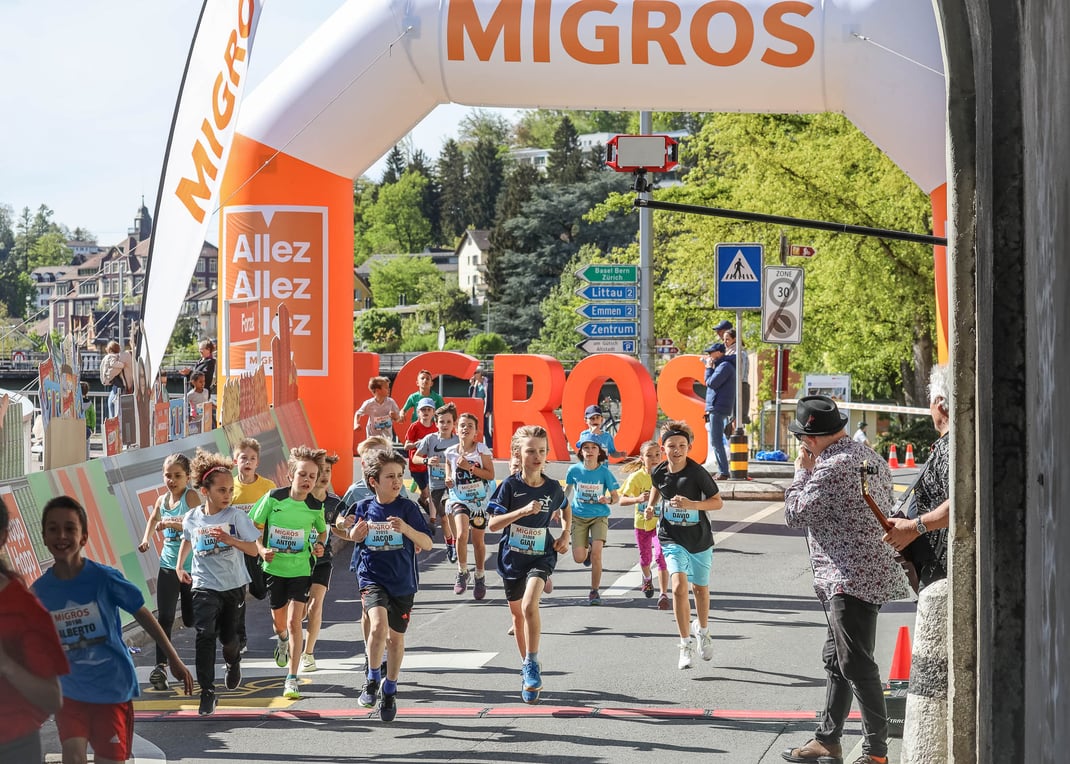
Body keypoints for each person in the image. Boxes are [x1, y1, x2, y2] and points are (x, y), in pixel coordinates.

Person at [781, 395, 912, 764]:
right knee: (837, 658)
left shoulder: (832, 466)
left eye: (801, 439)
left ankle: (876, 752)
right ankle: (827, 739)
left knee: (855, 662)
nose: (801, 445)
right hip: (866, 570)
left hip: (847, 575)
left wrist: (801, 473)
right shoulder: (867, 456)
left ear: (811, 438)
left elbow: (795, 513)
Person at [33, 496, 194, 764]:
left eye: (70, 529)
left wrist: (173, 659)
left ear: (84, 537)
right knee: (72, 755)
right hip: (70, 690)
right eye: (53, 529)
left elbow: (143, 614)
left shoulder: (104, 578)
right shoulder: (39, 592)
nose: (61, 536)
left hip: (112, 688)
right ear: (44, 537)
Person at [340, 450, 433, 722]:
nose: (396, 481)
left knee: (396, 638)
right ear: (373, 481)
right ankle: (371, 678)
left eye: (400, 476)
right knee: (378, 626)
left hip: (403, 581)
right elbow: (346, 528)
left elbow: (427, 543)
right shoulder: (363, 507)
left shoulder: (408, 508)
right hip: (371, 577)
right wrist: (352, 534)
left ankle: (390, 689)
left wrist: (406, 529)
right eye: (390, 476)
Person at [487, 425, 571, 704]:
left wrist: (565, 534)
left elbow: (566, 506)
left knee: (528, 605)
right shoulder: (509, 487)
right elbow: (493, 524)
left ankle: (533, 662)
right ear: (517, 454)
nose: (537, 457)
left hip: (541, 554)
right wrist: (522, 511)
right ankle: (526, 665)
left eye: (542, 451)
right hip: (512, 557)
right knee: (517, 617)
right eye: (531, 451)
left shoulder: (551, 487)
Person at [177, 450, 261, 715]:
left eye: (230, 490)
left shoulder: (235, 517)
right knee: (204, 636)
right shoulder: (193, 517)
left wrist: (231, 541)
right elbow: (187, 540)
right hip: (204, 585)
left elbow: (253, 550)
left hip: (233, 586)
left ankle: (233, 661)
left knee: (229, 640)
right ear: (205, 491)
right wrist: (180, 566)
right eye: (222, 490)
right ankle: (207, 691)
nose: (228, 495)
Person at [248, 447, 329, 700]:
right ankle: (281, 639)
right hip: (274, 568)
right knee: (280, 623)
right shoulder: (273, 498)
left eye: (312, 477)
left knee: (296, 621)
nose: (307, 481)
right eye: (302, 474)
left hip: (301, 570)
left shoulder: (316, 507)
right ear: (291, 475)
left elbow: (322, 531)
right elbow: (254, 526)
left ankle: (292, 679)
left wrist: (319, 545)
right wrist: (261, 549)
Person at [646, 421, 723, 669]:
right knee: (678, 586)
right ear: (663, 447)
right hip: (671, 537)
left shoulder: (697, 473)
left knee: (700, 590)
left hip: (699, 538)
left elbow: (717, 502)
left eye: (681, 446)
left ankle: (702, 630)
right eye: (671, 446)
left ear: (689, 447)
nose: (677, 450)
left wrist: (693, 505)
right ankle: (684, 643)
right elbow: (657, 488)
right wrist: (650, 505)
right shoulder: (658, 471)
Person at [0, 501, 68, 763]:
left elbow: (53, 699)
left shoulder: (26, 610)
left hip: (12, 747)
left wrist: (6, 665)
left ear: (3, 535)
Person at [136, 453, 199, 692]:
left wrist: (172, 524)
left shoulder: (190, 496)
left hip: (193, 568)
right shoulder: (163, 500)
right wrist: (146, 540)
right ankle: (160, 667)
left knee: (192, 618)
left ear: (188, 477)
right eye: (168, 475)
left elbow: (197, 524)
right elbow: (153, 520)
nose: (172, 480)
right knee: (165, 618)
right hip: (168, 566)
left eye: (177, 476)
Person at [883, 365, 950, 587]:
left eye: (930, 402)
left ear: (940, 403)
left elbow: (961, 504)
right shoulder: (949, 445)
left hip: (943, 574)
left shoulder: (951, 448)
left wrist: (913, 528)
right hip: (935, 571)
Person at [230, 438, 276, 653]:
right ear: (235, 461)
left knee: (258, 591)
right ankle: (240, 638)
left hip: (259, 546)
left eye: (252, 459)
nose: (247, 462)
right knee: (238, 594)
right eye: (243, 458)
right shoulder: (229, 487)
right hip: (237, 548)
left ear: (257, 463)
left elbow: (275, 517)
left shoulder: (267, 487)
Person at [444, 412, 495, 599]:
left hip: (479, 501)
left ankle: (480, 575)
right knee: (461, 533)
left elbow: (490, 475)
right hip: (460, 499)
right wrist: (448, 478)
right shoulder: (450, 452)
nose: (465, 428)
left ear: (476, 432)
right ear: (456, 429)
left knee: (478, 541)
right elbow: (448, 468)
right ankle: (462, 570)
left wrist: (470, 468)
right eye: (462, 425)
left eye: (470, 426)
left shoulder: (481, 450)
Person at [565, 432, 620, 606]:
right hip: (578, 517)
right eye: (586, 448)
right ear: (580, 451)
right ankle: (585, 548)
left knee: (597, 554)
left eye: (593, 447)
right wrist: (557, 507)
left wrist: (608, 500)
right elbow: (567, 491)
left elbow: (616, 497)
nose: (589, 451)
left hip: (599, 516)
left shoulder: (604, 473)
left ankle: (594, 591)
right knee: (579, 558)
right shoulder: (574, 470)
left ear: (599, 451)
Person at [303, 453, 344, 672]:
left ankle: (308, 653)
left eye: (328, 471)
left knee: (315, 604)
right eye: (320, 471)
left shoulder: (334, 502)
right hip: (297, 561)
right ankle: (286, 638)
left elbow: (339, 526)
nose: (324, 475)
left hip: (322, 559)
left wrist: (348, 527)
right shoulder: (299, 499)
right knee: (298, 611)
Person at [619, 440, 671, 610]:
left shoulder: (667, 474)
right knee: (645, 559)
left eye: (657, 455)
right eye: (649, 455)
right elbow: (621, 499)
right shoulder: (637, 477)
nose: (654, 458)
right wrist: (638, 499)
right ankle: (647, 578)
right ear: (642, 458)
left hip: (662, 524)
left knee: (661, 557)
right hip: (642, 524)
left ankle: (663, 594)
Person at [413, 403, 460, 561]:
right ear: (436, 422)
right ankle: (451, 544)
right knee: (445, 518)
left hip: (454, 485)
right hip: (436, 486)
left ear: (454, 423)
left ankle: (456, 543)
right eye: (441, 422)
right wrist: (426, 461)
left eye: (448, 422)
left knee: (450, 513)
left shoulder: (459, 441)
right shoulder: (430, 439)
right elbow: (415, 457)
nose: (445, 425)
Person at [703, 342, 735, 479]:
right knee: (716, 440)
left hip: (718, 406)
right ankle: (723, 470)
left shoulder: (724, 366)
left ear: (719, 352)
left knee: (716, 441)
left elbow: (711, 383)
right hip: (718, 406)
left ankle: (723, 471)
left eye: (711, 352)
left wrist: (708, 368)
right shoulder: (723, 365)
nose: (709, 355)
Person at [402, 398, 439, 516]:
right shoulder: (414, 427)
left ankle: (433, 513)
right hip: (417, 466)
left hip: (432, 466)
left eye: (429, 409)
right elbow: (406, 446)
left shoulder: (436, 428)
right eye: (423, 409)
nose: (426, 412)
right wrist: (418, 443)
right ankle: (422, 501)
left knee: (431, 491)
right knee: (425, 493)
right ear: (418, 412)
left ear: (433, 412)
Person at [724, 327, 750, 426]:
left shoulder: (739, 353)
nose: (725, 342)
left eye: (727, 339)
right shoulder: (729, 352)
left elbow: (740, 373)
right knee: (731, 417)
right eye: (724, 339)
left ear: (734, 339)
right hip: (733, 386)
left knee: (736, 418)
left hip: (739, 386)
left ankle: (736, 438)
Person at [101, 340, 127, 419]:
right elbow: (114, 364)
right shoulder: (114, 357)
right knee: (113, 402)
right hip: (114, 380)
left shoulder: (110, 357)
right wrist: (122, 365)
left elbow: (111, 365)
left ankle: (112, 419)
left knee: (111, 402)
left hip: (111, 380)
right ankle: (113, 419)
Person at [468, 367, 492, 446]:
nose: (474, 375)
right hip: (476, 408)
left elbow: (490, 397)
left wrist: (489, 410)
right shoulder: (475, 384)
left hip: (484, 409)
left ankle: (490, 446)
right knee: (476, 428)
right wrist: (471, 385)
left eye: (475, 373)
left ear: (480, 373)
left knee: (485, 429)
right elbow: (470, 396)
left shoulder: (487, 383)